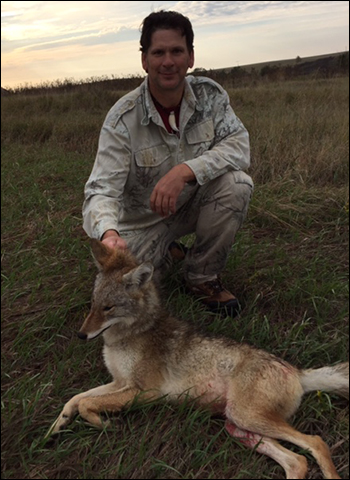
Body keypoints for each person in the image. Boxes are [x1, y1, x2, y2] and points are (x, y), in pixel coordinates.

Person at [82, 10, 253, 318]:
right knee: (126, 297)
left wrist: (185, 171)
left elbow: (239, 146)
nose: (168, 61)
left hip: (189, 204)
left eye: (177, 51)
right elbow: (101, 190)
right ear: (144, 60)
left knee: (237, 184)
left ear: (190, 56)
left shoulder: (210, 96)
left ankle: (202, 277)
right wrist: (108, 234)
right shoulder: (122, 118)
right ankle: (167, 249)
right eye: (158, 52)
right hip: (140, 224)